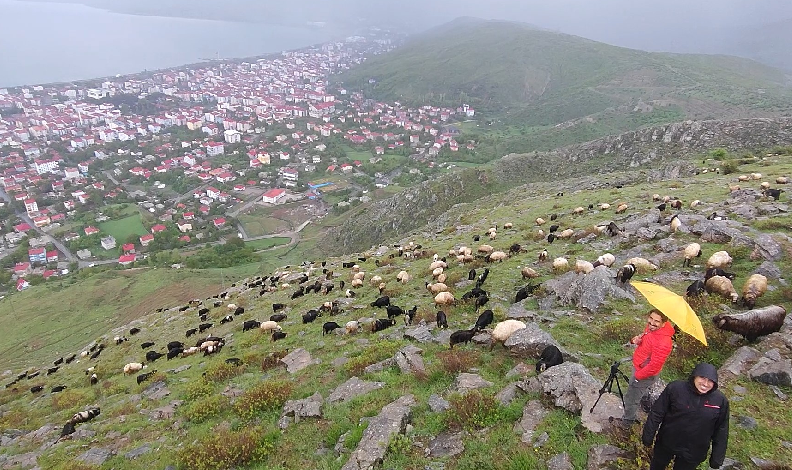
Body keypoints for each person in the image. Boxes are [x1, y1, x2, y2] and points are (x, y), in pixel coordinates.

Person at [642, 363, 729, 470]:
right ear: (694, 376)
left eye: (710, 381)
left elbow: (721, 430)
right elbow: (657, 412)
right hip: (667, 442)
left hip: (695, 450)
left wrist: (717, 457)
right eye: (702, 378)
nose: (705, 384)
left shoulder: (720, 400)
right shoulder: (675, 388)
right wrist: (648, 435)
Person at [620, 309, 674, 425]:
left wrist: (637, 376)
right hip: (640, 366)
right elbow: (647, 342)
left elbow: (653, 366)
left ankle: (627, 423)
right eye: (651, 318)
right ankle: (644, 402)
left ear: (664, 323)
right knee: (640, 391)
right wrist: (637, 341)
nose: (652, 323)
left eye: (657, 321)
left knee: (631, 398)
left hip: (644, 373)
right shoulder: (651, 329)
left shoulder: (663, 342)